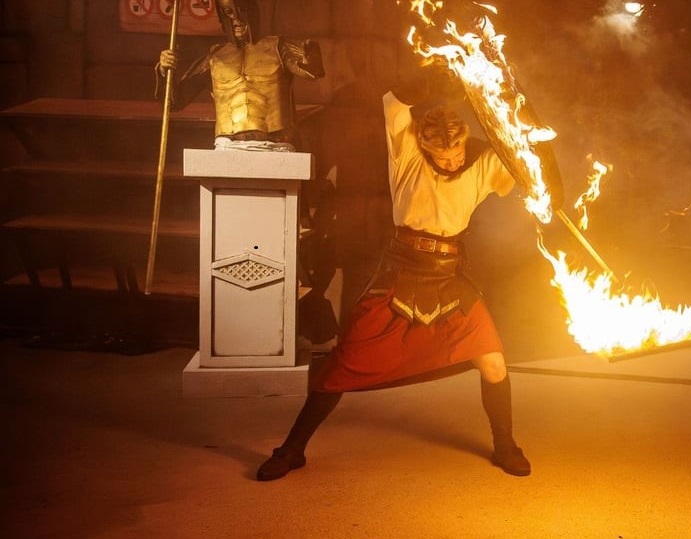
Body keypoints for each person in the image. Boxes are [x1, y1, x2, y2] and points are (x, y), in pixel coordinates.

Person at [255, 84, 532, 481]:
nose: (452, 161)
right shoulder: (406, 154)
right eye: (443, 154)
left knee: (492, 360)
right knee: (343, 364)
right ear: (425, 145)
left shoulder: (485, 160)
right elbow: (396, 99)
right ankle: (292, 449)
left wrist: (519, 131)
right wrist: (437, 69)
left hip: (450, 276)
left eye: (457, 152)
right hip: (400, 272)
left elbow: (524, 166)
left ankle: (506, 445)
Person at [156, 0, 324, 151]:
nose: (236, 19)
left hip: (276, 144)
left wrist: (312, 60)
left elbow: (310, 71)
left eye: (241, 9)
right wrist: (165, 71)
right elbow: (173, 102)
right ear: (221, 17)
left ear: (253, 11)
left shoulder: (278, 47)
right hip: (228, 145)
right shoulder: (215, 58)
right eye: (228, 12)